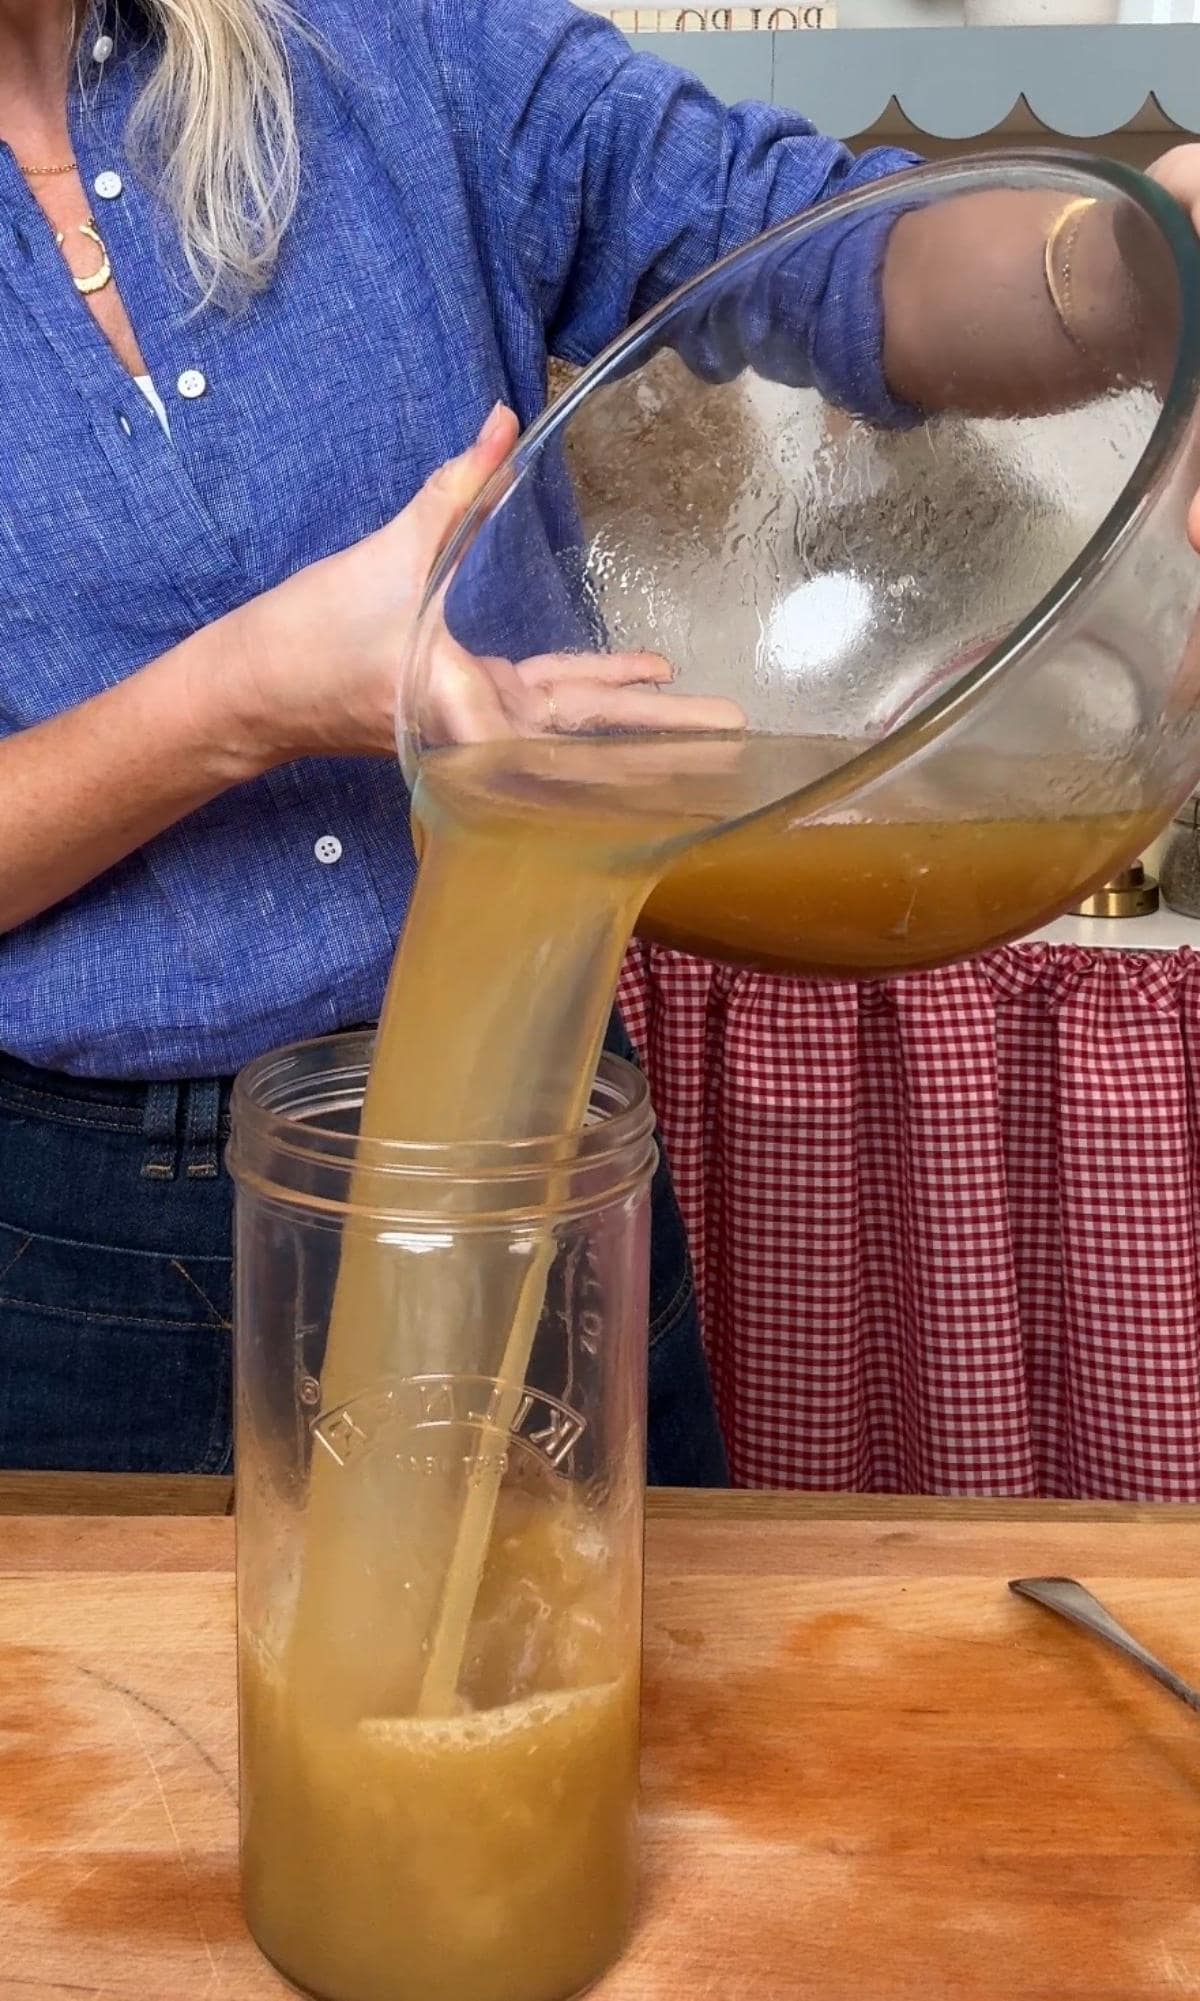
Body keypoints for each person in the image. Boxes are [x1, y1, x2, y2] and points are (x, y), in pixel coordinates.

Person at [0, 0, 1197, 1478]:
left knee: (619, 1696)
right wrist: (244, 697)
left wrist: (1127, 264)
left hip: (529, 1115)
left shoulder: (392, 45)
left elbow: (832, 249)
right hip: (68, 1245)